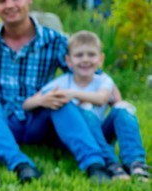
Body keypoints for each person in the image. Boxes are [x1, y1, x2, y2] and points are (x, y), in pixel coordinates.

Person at [0, 0, 111, 183]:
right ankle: (20, 164)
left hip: (38, 120)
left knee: (60, 100)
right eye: (2, 0)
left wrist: (115, 99)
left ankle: (94, 164)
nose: (10, 5)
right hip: (1, 119)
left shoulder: (53, 40)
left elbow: (91, 73)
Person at [39, 30, 149, 181]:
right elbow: (32, 100)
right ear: (68, 61)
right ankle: (111, 163)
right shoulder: (63, 82)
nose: (85, 60)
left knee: (123, 107)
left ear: (101, 59)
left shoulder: (103, 80)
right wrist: (42, 100)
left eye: (91, 55)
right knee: (85, 109)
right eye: (79, 55)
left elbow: (102, 98)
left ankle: (135, 162)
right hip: (81, 136)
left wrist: (72, 94)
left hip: (101, 130)